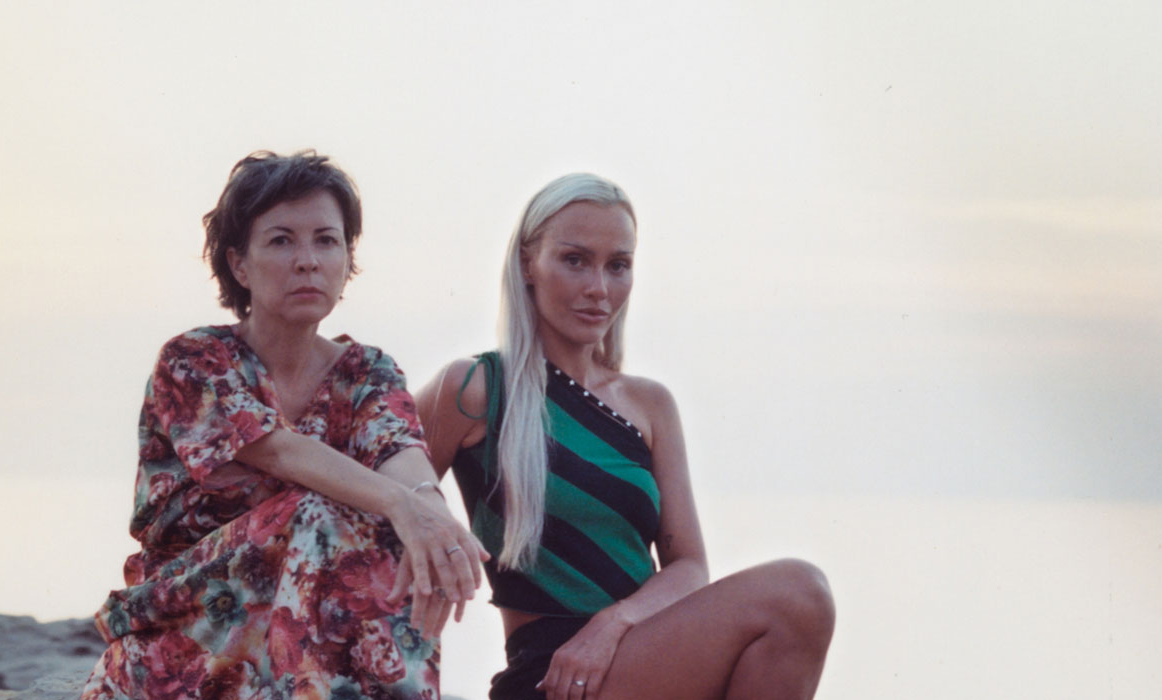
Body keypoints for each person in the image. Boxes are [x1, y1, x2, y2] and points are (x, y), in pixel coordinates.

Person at [83, 150, 488, 700]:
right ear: (239, 265)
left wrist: (432, 518)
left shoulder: (367, 370)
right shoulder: (195, 360)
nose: (308, 261)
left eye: (326, 240)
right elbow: (278, 451)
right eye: (281, 241)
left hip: (305, 644)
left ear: (347, 258)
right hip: (188, 628)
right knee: (329, 511)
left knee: (405, 527)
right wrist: (403, 506)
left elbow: (399, 450)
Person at [416, 174, 837, 700]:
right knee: (798, 593)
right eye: (575, 260)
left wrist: (613, 624)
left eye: (618, 265)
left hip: (635, 650)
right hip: (551, 677)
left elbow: (689, 566)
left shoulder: (651, 404)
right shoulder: (476, 387)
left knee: (802, 597)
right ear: (527, 263)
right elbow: (383, 491)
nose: (599, 288)